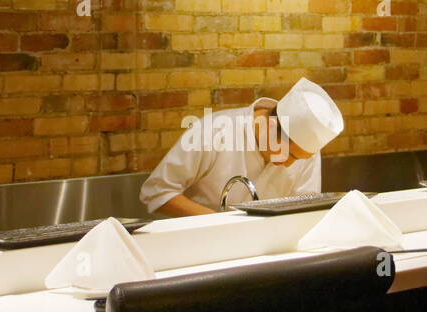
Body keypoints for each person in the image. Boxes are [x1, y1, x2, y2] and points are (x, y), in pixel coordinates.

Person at [139, 77, 344, 216]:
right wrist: (219, 224)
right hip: (201, 247)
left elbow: (303, 210)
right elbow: (157, 192)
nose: (290, 164)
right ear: (270, 127)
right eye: (289, 154)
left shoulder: (306, 151)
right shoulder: (213, 131)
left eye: (298, 158)